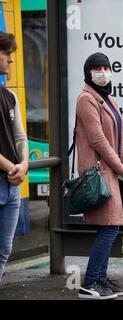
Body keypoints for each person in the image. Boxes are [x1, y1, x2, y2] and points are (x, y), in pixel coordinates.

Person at [75, 53, 123, 299]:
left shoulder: (109, 98)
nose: (102, 72)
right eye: (97, 68)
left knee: (110, 227)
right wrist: (122, 167)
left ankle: (100, 279)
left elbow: (122, 133)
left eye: (105, 67)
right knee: (109, 228)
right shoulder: (86, 99)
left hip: (115, 171)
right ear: (88, 72)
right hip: (102, 172)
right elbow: (98, 139)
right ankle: (90, 282)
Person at [0, 32, 28, 281]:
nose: (10, 59)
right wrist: (14, 168)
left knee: (4, 250)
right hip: (8, 178)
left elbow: (20, 135)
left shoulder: (10, 97)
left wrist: (25, 164)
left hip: (11, 186)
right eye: (6, 53)